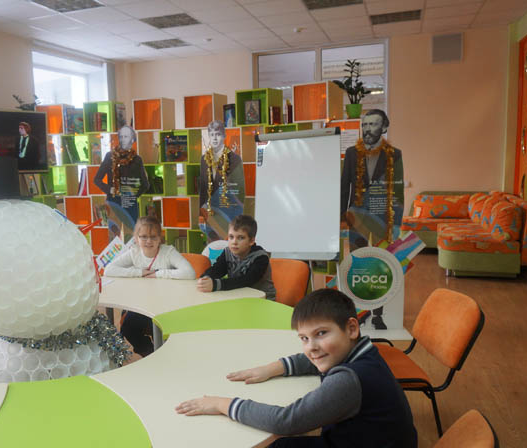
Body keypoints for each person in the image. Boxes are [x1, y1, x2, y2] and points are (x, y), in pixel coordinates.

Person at [175, 289, 418, 448]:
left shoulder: (348, 380)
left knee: (279, 443)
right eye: (304, 338)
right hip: (373, 441)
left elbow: (286, 421)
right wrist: (272, 368)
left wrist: (221, 404)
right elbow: (315, 356)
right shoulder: (362, 352)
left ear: (352, 328)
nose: (311, 347)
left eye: (321, 333)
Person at [340, 109, 404, 330]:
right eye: (365, 124)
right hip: (356, 216)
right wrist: (341, 217)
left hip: (382, 218)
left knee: (379, 265)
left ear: (384, 127)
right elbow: (344, 186)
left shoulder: (394, 154)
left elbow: (397, 190)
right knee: (358, 264)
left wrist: (397, 224)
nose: (367, 129)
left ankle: (378, 314)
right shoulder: (351, 153)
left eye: (373, 124)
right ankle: (359, 311)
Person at [105, 216, 195, 356]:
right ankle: (151, 354)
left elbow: (189, 272)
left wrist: (158, 274)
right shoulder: (134, 252)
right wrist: (139, 272)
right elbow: (109, 270)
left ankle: (168, 353)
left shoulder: (168, 252)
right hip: (141, 305)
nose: (148, 241)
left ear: (160, 238)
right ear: (136, 238)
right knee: (128, 328)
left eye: (153, 237)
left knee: (165, 331)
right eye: (144, 236)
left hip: (166, 305)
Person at [197, 214, 275, 300]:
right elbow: (217, 269)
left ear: (251, 241)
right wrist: (206, 277)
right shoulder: (227, 252)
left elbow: (246, 280)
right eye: (231, 237)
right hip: (239, 296)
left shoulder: (261, 257)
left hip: (263, 299)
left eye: (241, 238)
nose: (234, 242)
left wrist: (215, 285)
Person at [94, 125, 149, 233]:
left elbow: (145, 185)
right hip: (113, 203)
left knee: (131, 237)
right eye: (121, 136)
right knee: (114, 237)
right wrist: (110, 189)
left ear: (132, 139)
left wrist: (133, 195)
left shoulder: (137, 159)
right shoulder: (110, 156)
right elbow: (97, 179)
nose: (123, 139)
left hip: (129, 205)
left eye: (126, 136)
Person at [199, 120, 245, 241]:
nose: (215, 138)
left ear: (224, 136)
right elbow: (203, 188)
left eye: (218, 134)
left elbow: (240, 189)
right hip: (210, 212)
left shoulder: (234, 159)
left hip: (229, 210)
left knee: (230, 244)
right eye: (212, 134)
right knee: (213, 245)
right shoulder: (204, 159)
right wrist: (201, 214)